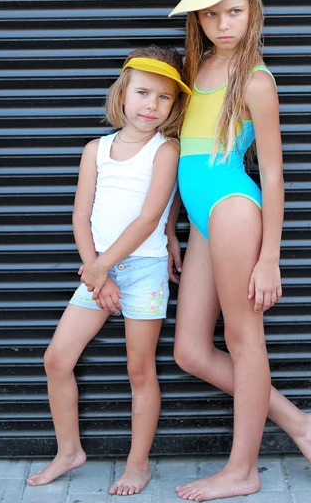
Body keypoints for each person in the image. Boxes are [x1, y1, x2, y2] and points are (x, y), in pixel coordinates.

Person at [166, 0, 311, 501]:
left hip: (235, 211)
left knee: (243, 339)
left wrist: (269, 258)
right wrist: (170, 227)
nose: (222, 24)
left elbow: (277, 176)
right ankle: (302, 424)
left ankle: (243, 470)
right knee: (190, 350)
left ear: (252, 9)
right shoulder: (196, 67)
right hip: (200, 218)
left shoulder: (256, 79)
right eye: (211, 15)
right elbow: (179, 155)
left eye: (233, 12)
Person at [26, 45, 191, 496]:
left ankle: (138, 465)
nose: (150, 105)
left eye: (164, 98)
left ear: (175, 106)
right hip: (97, 270)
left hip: (144, 270)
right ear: (122, 93)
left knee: (140, 371)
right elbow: (81, 216)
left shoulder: (166, 150)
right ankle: (69, 451)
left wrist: (102, 269)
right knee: (56, 359)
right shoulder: (95, 150)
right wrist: (96, 273)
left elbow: (147, 218)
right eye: (142, 92)